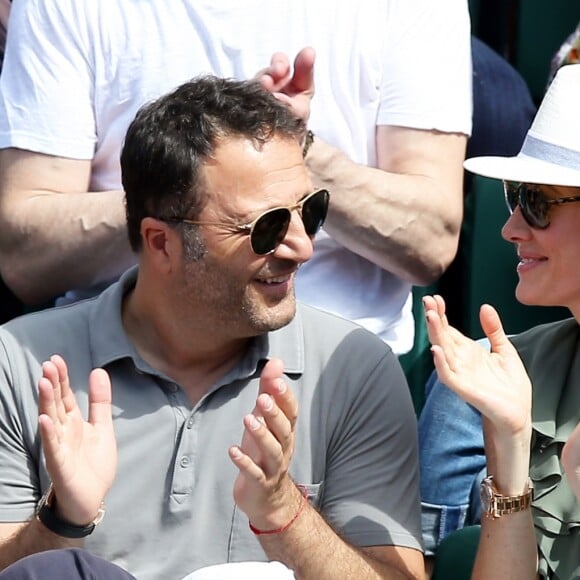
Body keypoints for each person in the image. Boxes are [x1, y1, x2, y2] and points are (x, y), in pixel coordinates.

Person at [0, 75, 423, 579]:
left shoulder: (352, 366)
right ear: (160, 243)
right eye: (267, 227)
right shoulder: (21, 362)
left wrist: (283, 512)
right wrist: (63, 519)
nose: (302, 248)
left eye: (310, 213)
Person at [0, 0, 472, 355]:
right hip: (119, 377)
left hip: (338, 374)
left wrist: (291, 150)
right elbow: (26, 254)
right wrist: (189, 184)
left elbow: (431, 239)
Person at [420, 63, 580, 579]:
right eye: (516, 195)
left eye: (536, 202)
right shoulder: (492, 382)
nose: (510, 228)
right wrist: (510, 449)